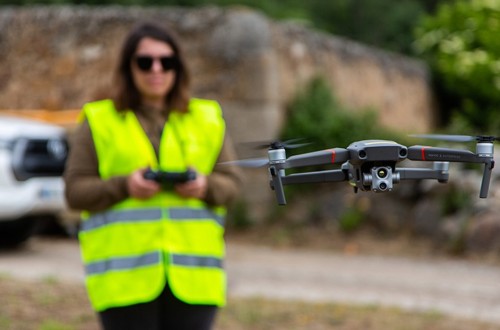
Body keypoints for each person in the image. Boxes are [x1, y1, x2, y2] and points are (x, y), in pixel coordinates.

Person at [64, 22, 242, 330]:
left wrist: (204, 186)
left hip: (195, 280)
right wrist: (125, 185)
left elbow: (232, 184)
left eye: (166, 61)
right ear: (128, 67)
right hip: (124, 282)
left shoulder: (208, 117)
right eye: (144, 62)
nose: (156, 69)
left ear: (178, 67)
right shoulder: (98, 120)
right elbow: (75, 192)